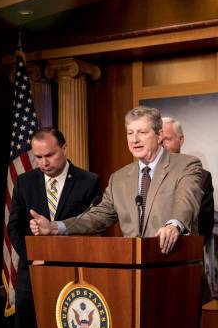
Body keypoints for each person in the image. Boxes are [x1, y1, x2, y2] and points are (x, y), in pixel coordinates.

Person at [29, 106, 203, 256]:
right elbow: (98, 216)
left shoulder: (186, 165)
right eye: (130, 133)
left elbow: (186, 202)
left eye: (142, 132)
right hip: (134, 273)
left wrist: (174, 226)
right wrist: (54, 227)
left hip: (176, 267)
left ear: (159, 136)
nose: (134, 139)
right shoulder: (119, 178)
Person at [7, 128, 101, 328]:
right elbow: (14, 227)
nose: (44, 163)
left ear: (64, 148)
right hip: (32, 277)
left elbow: (94, 229)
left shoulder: (89, 181)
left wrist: (57, 254)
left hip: (72, 278)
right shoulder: (25, 182)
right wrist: (34, 256)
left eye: (49, 155)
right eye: (38, 157)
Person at [161, 116, 213, 328]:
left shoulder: (199, 175)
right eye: (160, 139)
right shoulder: (141, 176)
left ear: (180, 140)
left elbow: (204, 227)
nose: (163, 145)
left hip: (184, 273)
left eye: (168, 139)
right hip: (149, 277)